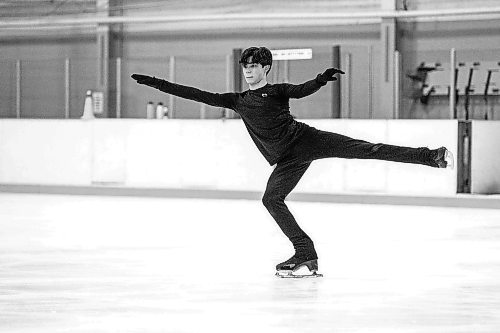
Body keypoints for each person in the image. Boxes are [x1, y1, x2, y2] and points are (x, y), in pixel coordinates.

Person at [132, 46, 453, 278]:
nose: (249, 70)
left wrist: (320, 80)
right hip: (286, 160)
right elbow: (194, 93)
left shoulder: (277, 91)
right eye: (246, 65)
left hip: (306, 141)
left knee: (366, 149)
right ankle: (305, 251)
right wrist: (155, 83)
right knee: (271, 199)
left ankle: (430, 156)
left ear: (266, 68)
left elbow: (301, 90)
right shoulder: (237, 101)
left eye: (255, 65)